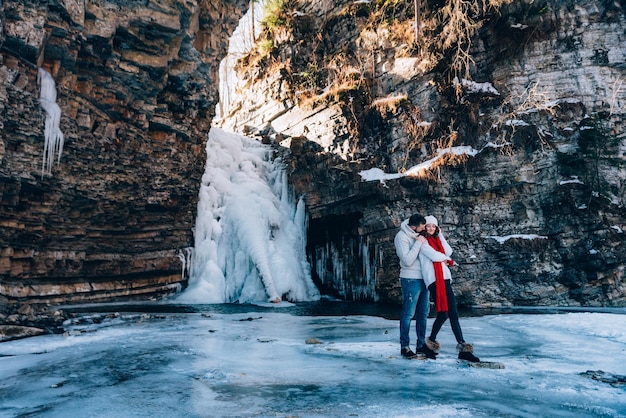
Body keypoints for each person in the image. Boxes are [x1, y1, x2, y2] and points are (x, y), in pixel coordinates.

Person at [419, 215, 480, 362]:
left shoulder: (438, 240)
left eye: (434, 226)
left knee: (451, 313)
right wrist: (446, 260)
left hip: (445, 280)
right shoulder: (422, 242)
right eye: (428, 226)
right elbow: (434, 256)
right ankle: (431, 344)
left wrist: (441, 236)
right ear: (425, 228)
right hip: (434, 281)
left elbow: (448, 251)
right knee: (444, 313)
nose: (431, 228)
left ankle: (461, 346)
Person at [394, 214, 448, 359]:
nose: (425, 229)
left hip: (425, 279)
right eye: (422, 227)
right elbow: (406, 261)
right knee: (408, 314)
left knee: (423, 314)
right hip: (410, 279)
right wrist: (418, 243)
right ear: (413, 227)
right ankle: (405, 346)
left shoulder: (421, 234)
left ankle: (420, 345)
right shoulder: (401, 237)